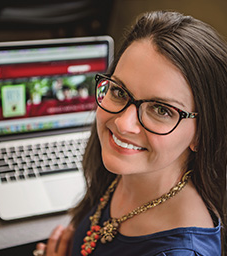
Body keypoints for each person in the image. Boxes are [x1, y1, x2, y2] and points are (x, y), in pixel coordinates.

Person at [34, 10, 227, 256]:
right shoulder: (122, 173)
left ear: (202, 134)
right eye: (119, 92)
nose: (124, 124)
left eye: (160, 109)